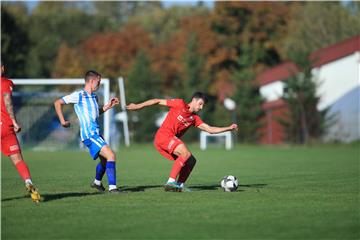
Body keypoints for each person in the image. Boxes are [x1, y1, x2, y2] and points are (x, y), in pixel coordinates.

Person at [126, 92, 238, 192]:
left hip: (169, 139)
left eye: (203, 105)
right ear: (194, 100)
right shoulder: (179, 103)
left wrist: (228, 128)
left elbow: (210, 129)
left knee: (191, 160)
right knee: (186, 153)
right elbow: (157, 101)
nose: (201, 107)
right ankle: (170, 182)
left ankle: (179, 185)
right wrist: (138, 106)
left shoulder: (194, 118)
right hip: (163, 136)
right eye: (200, 103)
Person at [54, 70, 122, 193]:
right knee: (111, 155)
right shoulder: (79, 95)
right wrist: (62, 121)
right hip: (89, 134)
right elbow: (57, 102)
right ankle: (113, 188)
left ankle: (97, 182)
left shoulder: (94, 97)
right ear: (91, 81)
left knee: (105, 160)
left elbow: (95, 113)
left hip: (95, 133)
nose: (99, 84)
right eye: (98, 81)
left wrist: (108, 106)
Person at [0, 60, 41, 203]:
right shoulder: (6, 83)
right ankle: (28, 182)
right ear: (3, 68)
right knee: (18, 160)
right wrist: (14, 121)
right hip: (5, 127)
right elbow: (7, 102)